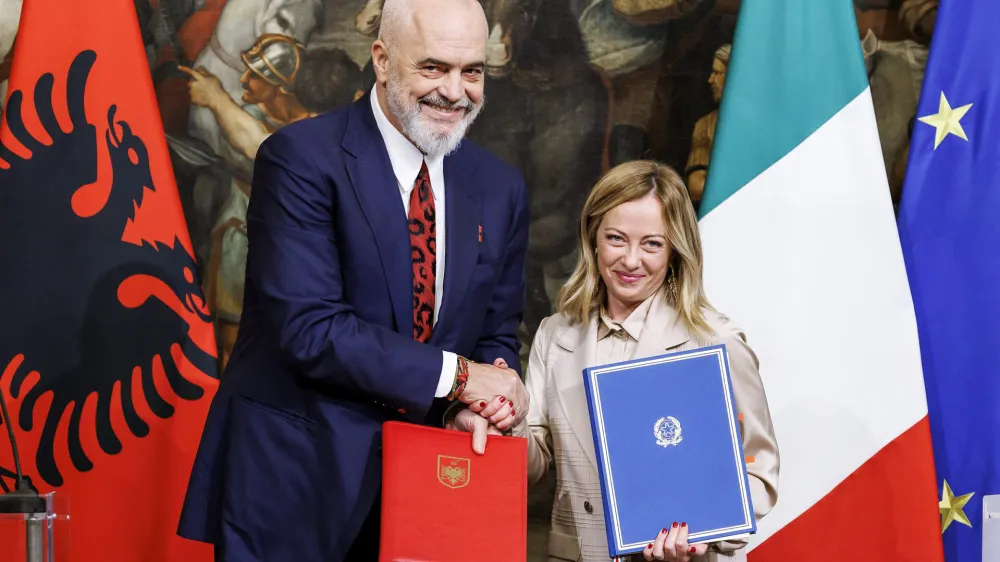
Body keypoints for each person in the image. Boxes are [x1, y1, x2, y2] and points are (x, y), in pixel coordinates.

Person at [176, 0, 530, 559]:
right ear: (383, 61)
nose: (456, 91)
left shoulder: (499, 187)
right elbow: (310, 329)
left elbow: (494, 331)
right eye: (433, 68)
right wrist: (462, 377)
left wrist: (488, 399)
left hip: (427, 498)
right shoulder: (299, 159)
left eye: (473, 71)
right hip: (296, 489)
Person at [450, 160, 779, 562]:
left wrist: (706, 533)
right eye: (617, 239)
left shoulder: (714, 342)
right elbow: (530, 466)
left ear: (676, 248)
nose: (631, 260)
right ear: (593, 237)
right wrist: (507, 423)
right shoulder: (556, 335)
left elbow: (759, 471)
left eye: (652, 244)